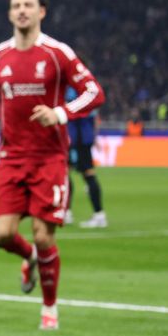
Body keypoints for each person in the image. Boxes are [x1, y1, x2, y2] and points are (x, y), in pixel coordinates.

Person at [0, 0, 104, 330]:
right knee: (0, 234)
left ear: (41, 12)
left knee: (44, 235)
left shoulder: (57, 53)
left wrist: (60, 113)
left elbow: (94, 91)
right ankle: (31, 257)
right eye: (16, 5)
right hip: (10, 158)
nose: (22, 10)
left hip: (49, 158)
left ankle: (49, 309)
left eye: (28, 5)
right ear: (9, 14)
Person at [65, 85, 107, 228]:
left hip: (77, 138)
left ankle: (98, 214)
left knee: (85, 174)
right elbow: (94, 115)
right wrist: (94, 136)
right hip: (82, 136)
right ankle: (67, 212)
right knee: (67, 173)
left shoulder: (74, 89)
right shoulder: (88, 88)